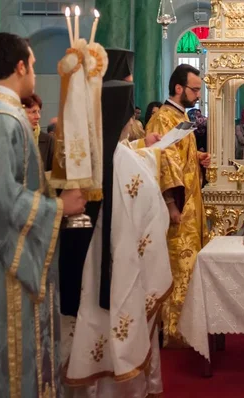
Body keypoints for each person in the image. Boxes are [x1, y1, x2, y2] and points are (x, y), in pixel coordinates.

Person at [62, 73, 172, 398]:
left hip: (85, 267)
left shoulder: (81, 158)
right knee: (123, 315)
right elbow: (154, 215)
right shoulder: (128, 162)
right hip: (124, 265)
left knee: (90, 319)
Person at [0, 32, 87, 398]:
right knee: (13, 358)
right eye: (33, 65)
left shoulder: (9, 115)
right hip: (6, 267)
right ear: (19, 66)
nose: (34, 72)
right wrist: (59, 207)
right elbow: (1, 196)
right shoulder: (3, 120)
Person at [145, 64, 210, 347]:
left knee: (190, 264)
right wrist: (171, 204)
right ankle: (174, 330)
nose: (198, 95)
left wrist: (197, 157)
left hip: (191, 204)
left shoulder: (180, 116)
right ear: (179, 88)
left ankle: (188, 325)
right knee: (177, 266)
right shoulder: (162, 119)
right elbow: (163, 163)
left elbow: (180, 156)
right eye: (195, 89)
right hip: (177, 207)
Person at [22, 93, 55, 171]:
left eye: (38, 112)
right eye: (33, 112)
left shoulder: (48, 141)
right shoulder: (11, 140)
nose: (38, 116)